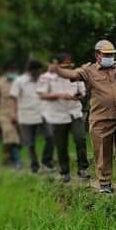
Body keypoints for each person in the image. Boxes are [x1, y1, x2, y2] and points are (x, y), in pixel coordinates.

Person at [50, 40, 116, 194]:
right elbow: (72, 74)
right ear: (97, 55)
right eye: (106, 54)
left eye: (111, 55)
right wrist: (57, 70)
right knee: (102, 152)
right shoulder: (89, 70)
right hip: (101, 119)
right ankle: (105, 182)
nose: (109, 57)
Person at [38, 53, 90, 182]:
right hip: (57, 115)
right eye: (64, 65)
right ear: (57, 65)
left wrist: (77, 96)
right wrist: (60, 95)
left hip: (74, 112)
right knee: (61, 145)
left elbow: (82, 93)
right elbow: (42, 95)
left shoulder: (76, 75)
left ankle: (82, 168)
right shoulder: (47, 77)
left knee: (80, 139)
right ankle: (65, 171)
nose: (67, 67)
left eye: (69, 65)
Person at [10, 59, 55, 173]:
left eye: (40, 71)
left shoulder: (43, 79)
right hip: (26, 115)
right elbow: (13, 98)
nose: (39, 73)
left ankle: (46, 161)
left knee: (50, 136)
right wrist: (13, 113)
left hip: (43, 113)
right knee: (30, 143)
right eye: (37, 71)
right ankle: (34, 165)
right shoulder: (19, 81)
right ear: (31, 71)